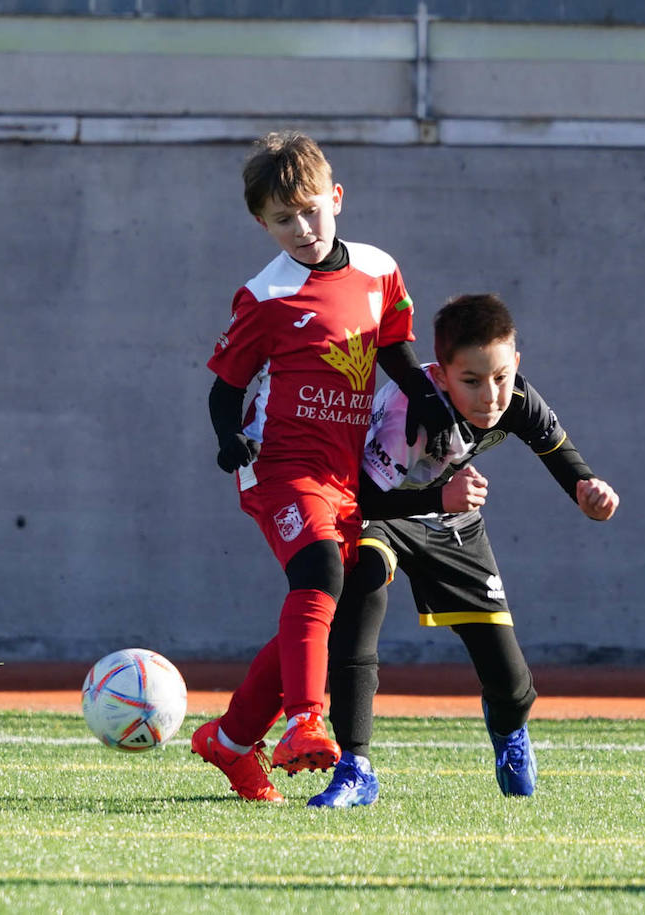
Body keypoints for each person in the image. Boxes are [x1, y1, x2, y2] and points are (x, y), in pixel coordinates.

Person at [194, 131, 453, 803]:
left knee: (327, 603)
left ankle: (229, 739)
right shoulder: (266, 296)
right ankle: (308, 719)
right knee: (320, 571)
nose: (302, 227)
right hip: (280, 465)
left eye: (310, 209)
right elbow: (226, 388)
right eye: (284, 218)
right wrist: (230, 441)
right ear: (262, 223)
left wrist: (429, 400)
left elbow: (393, 348)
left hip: (346, 470)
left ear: (335, 198)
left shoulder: (378, 269)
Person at [308, 293, 620, 808]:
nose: (489, 395)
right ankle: (356, 765)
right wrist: (439, 496)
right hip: (381, 512)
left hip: (452, 520)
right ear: (441, 373)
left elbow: (558, 452)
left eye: (499, 376)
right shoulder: (411, 412)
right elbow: (365, 497)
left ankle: (510, 732)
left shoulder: (514, 396)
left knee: (512, 681)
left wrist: (588, 490)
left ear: (514, 363)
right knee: (364, 582)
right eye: (470, 381)